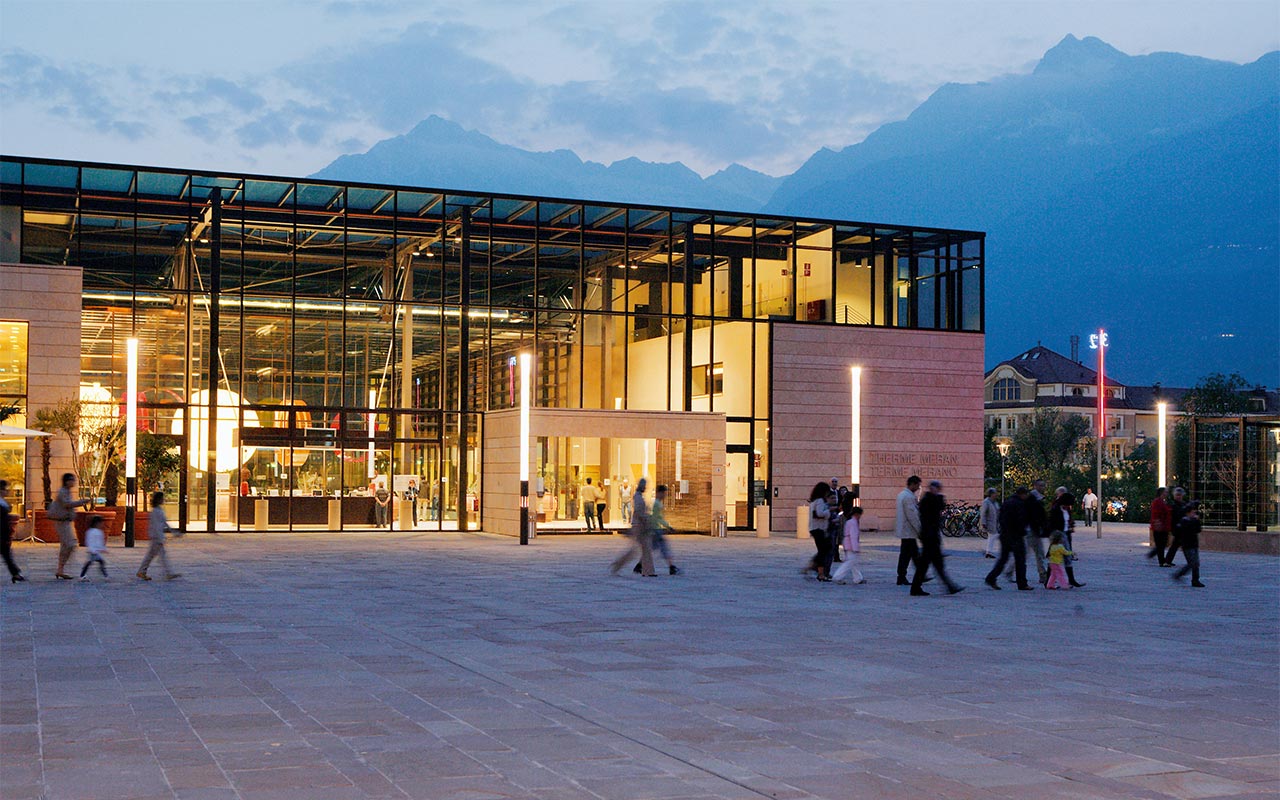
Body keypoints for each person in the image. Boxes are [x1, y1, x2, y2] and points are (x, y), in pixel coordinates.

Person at [911, 480, 963, 596]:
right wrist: (938, 496)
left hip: (932, 537)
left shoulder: (931, 499)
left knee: (934, 564)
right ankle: (916, 588)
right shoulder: (928, 499)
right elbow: (938, 506)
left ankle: (949, 586)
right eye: (937, 488)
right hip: (929, 537)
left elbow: (941, 506)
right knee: (928, 565)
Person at [986, 487, 1032, 590]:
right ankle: (1022, 583)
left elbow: (1001, 518)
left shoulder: (1007, 502)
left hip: (1005, 535)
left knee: (1003, 559)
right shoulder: (1019, 504)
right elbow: (1020, 520)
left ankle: (991, 577)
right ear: (1023, 494)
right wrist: (1022, 531)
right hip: (1016, 536)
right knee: (1020, 559)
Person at [610, 477, 654, 576]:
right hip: (639, 526)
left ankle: (647, 570)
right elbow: (639, 512)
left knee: (643, 548)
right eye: (644, 486)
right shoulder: (638, 497)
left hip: (640, 525)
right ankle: (619, 565)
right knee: (637, 550)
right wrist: (646, 520)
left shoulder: (638, 496)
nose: (645, 488)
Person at [636, 484, 680, 575]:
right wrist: (668, 526)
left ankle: (639, 565)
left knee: (650, 548)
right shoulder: (657, 504)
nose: (665, 495)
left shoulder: (655, 503)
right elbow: (657, 518)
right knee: (664, 548)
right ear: (659, 493)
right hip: (656, 530)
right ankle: (671, 567)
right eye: (664, 493)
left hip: (654, 530)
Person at [52, 472, 89, 580]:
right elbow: (66, 504)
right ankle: (61, 568)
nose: (73, 482)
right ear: (67, 481)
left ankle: (60, 570)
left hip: (67, 521)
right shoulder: (62, 492)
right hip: (62, 522)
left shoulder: (67, 491)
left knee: (66, 545)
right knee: (70, 544)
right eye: (72, 480)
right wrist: (81, 502)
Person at [137, 491, 181, 581]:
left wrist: (174, 532)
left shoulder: (158, 510)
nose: (163, 500)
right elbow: (157, 526)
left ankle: (142, 571)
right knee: (159, 555)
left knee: (152, 555)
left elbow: (164, 523)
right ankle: (168, 573)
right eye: (162, 498)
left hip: (157, 537)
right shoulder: (156, 512)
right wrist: (161, 538)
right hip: (156, 537)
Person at [1046, 493, 1085, 587]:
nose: (1069, 506)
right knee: (1056, 557)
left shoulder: (1067, 510)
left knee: (1065, 558)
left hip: (1066, 534)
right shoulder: (1055, 510)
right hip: (1058, 534)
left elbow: (1069, 520)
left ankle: (1070, 580)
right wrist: (1055, 538)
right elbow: (1052, 523)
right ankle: (1049, 580)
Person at [894, 475, 922, 586]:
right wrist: (920, 530)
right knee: (907, 555)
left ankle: (919, 574)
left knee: (911, 554)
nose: (918, 488)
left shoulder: (902, 495)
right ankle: (902, 576)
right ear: (913, 484)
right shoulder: (908, 497)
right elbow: (912, 516)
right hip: (909, 531)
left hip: (906, 530)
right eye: (918, 485)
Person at [1171, 502, 1205, 587]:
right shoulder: (1183, 522)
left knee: (1195, 563)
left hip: (1194, 544)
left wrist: (1197, 521)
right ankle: (1179, 574)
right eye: (1193, 512)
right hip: (1187, 545)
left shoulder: (1193, 521)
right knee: (1192, 562)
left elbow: (1198, 530)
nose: (1194, 514)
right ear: (1188, 513)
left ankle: (1195, 580)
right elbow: (1182, 532)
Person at [805, 481, 833, 582]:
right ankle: (819, 571)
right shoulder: (820, 501)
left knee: (823, 549)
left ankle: (815, 567)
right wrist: (828, 512)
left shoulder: (813, 501)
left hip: (814, 528)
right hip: (819, 529)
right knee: (823, 550)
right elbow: (820, 513)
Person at [832, 501, 865, 584]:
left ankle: (858, 578)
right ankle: (837, 577)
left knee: (852, 562)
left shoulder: (850, 521)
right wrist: (855, 548)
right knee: (849, 563)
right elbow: (853, 536)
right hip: (851, 545)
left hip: (847, 544)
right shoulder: (853, 523)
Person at [1024, 479, 1049, 584]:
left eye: (1044, 485)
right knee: (1039, 553)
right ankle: (1043, 574)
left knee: (1027, 553)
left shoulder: (1036, 498)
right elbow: (1035, 516)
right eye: (1041, 485)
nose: (1043, 487)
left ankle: (1010, 571)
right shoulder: (1033, 499)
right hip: (1032, 530)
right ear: (1035, 486)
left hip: (1032, 530)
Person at [0, 480, 25, 583]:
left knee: (6, 554)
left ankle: (15, 573)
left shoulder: (3, 502)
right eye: (5, 489)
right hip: (1, 533)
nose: (7, 492)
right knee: (6, 554)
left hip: (3, 533)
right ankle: (15, 573)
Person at [1147, 487, 1172, 565]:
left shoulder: (1162, 502)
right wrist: (1157, 523)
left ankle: (1160, 558)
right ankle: (1161, 561)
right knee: (1161, 544)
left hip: (1164, 526)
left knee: (1162, 544)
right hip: (1159, 527)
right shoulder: (1157, 502)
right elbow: (1156, 513)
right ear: (1161, 493)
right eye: (1165, 492)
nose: (1167, 494)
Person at [1163, 487, 1187, 568]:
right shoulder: (1173, 505)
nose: (1178, 497)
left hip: (1182, 527)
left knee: (1177, 545)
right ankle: (1167, 560)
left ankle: (1168, 560)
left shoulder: (1183, 504)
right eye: (1177, 495)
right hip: (1177, 528)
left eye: (1180, 495)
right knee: (1177, 545)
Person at [79, 514, 108, 581]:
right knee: (93, 562)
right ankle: (105, 575)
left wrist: (102, 549)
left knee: (96, 562)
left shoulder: (96, 531)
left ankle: (105, 575)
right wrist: (93, 549)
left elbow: (100, 542)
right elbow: (90, 541)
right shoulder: (92, 532)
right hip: (94, 551)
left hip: (95, 551)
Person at [980, 488, 1000, 558]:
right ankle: (988, 551)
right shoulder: (986, 502)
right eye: (995, 493)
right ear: (991, 494)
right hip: (989, 522)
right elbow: (983, 513)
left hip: (995, 522)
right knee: (994, 536)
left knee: (992, 537)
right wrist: (983, 523)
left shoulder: (995, 502)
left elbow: (998, 511)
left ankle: (988, 552)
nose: (996, 494)